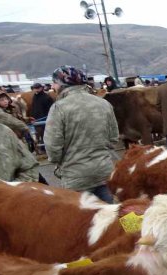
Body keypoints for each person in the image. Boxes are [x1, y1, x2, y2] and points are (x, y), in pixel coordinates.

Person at [45, 65, 119, 203]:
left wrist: (58, 161)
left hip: (75, 175)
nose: (52, 86)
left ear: (61, 84)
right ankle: (133, 225)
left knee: (80, 221)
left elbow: (52, 148)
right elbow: (113, 137)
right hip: (105, 171)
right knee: (115, 213)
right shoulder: (103, 103)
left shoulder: (59, 108)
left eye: (54, 82)